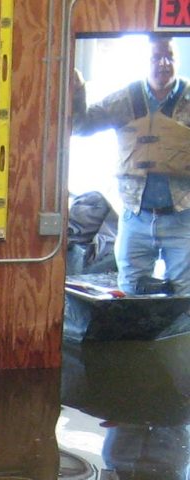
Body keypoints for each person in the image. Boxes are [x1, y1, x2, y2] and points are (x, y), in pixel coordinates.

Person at [72, 35, 190, 295]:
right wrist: (77, 91)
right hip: (134, 216)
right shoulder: (127, 98)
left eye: (169, 56)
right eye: (155, 57)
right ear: (145, 62)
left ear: (178, 60)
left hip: (182, 217)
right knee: (131, 291)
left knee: (184, 296)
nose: (163, 63)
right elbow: (82, 126)